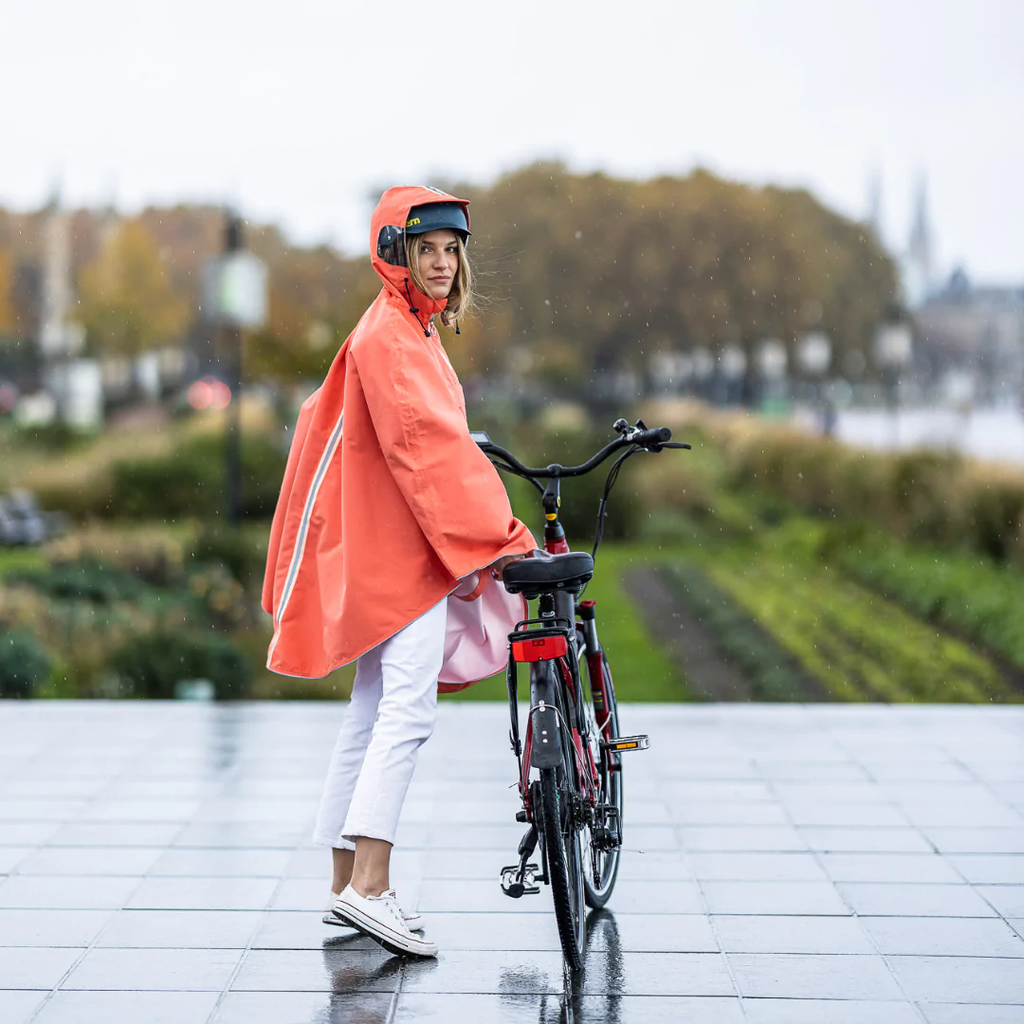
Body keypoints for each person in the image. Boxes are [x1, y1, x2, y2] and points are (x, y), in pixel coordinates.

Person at [262, 186, 536, 958]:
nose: (444, 264)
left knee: (372, 709)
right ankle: (373, 888)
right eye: (428, 250)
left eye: (453, 250)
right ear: (396, 254)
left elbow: (429, 448)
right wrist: (505, 536)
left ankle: (344, 884)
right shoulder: (393, 335)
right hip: (400, 558)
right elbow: (434, 456)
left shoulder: (401, 328)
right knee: (406, 710)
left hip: (388, 552)